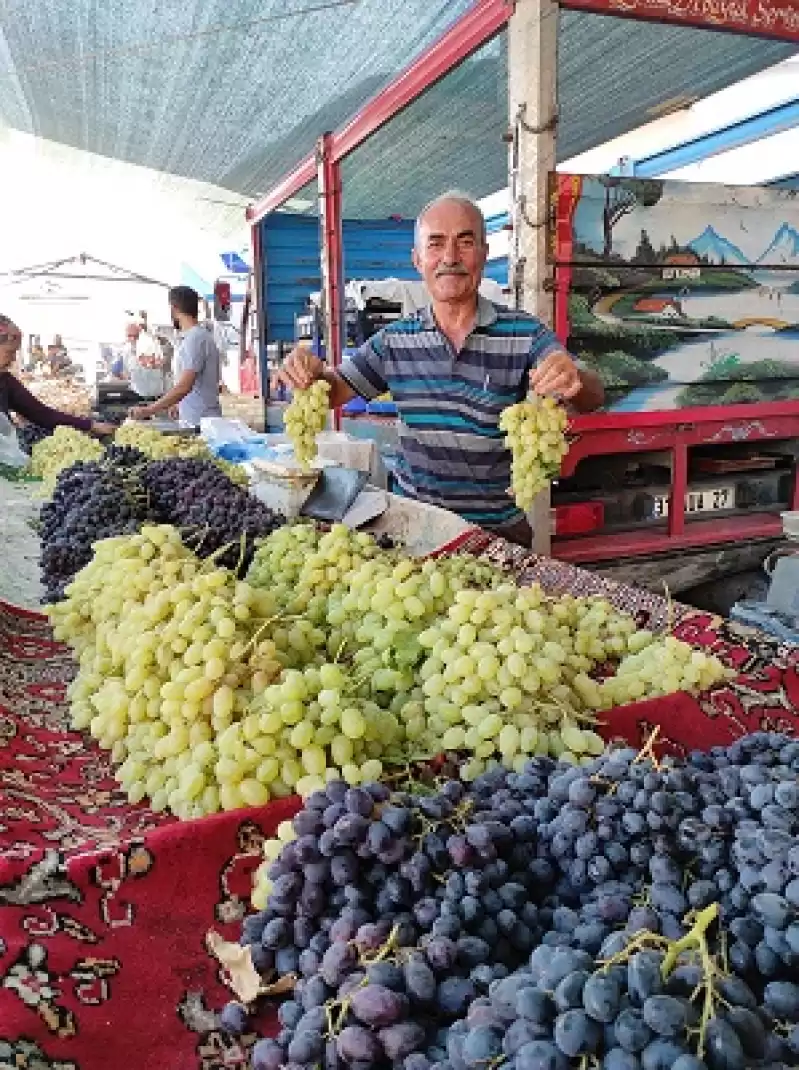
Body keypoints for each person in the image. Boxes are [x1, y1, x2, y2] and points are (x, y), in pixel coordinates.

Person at [274, 191, 604, 547]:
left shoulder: (525, 334)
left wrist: (574, 378)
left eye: (465, 242)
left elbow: (591, 397)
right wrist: (307, 371)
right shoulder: (394, 341)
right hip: (415, 532)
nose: (450, 257)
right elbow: (334, 390)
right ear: (418, 259)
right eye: (436, 244)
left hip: (497, 535)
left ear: (483, 253)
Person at [0, 315, 114, 436]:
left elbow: (42, 414)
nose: (13, 359)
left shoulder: (5, 381)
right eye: (10, 352)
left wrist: (91, 425)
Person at [129, 286, 222, 425]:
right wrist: (178, 403)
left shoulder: (196, 339)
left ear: (174, 309)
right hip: (194, 419)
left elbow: (185, 386)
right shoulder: (192, 338)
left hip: (202, 422)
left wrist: (149, 410)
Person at [116, 320, 167, 400]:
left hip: (158, 396)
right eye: (129, 336)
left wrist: (155, 363)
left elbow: (162, 363)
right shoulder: (126, 352)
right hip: (136, 395)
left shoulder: (153, 346)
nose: (132, 339)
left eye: (136, 336)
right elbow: (126, 374)